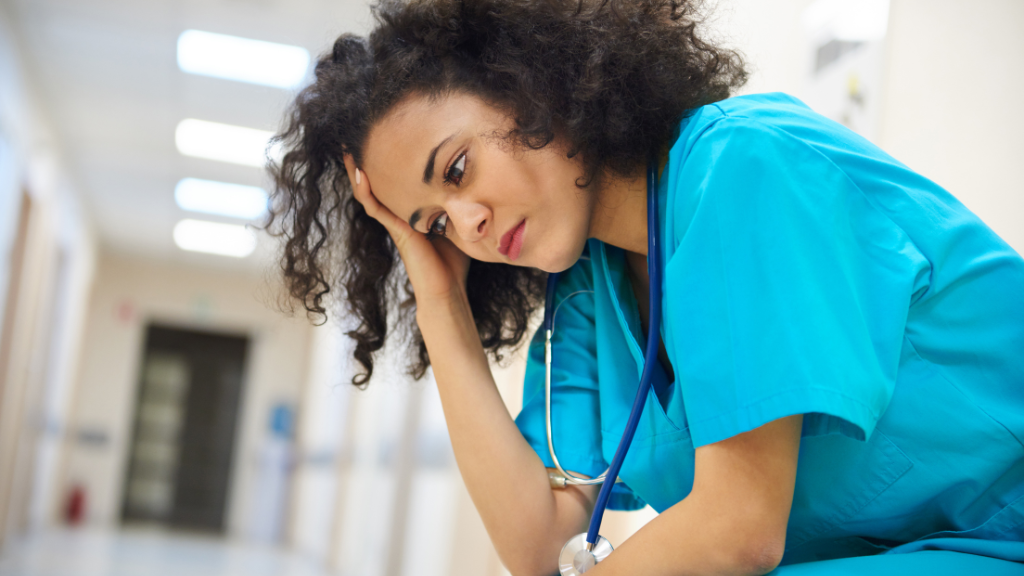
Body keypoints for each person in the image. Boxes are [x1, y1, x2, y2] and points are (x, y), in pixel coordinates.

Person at [267, 0, 1024, 574]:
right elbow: (534, 538)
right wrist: (438, 303)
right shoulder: (591, 290)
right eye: (433, 223)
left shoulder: (743, 167)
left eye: (458, 170)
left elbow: (740, 529)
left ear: (530, 85)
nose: (465, 225)